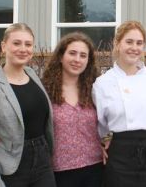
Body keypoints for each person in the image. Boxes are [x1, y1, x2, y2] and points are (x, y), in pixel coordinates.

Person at [0, 23, 55, 187]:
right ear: (4, 46)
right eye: (16, 43)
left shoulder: (33, 75)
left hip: (43, 161)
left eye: (28, 44)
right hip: (11, 166)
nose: (23, 49)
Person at [92, 20, 146, 187]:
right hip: (121, 152)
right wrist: (104, 140)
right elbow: (99, 122)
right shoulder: (102, 83)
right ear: (117, 44)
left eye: (139, 43)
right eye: (129, 41)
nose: (134, 47)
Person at [41, 32, 103, 186]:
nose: (77, 59)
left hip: (95, 168)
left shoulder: (96, 89)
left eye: (83, 55)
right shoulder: (44, 90)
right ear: (61, 57)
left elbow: (115, 116)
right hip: (59, 171)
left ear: (88, 61)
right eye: (72, 53)